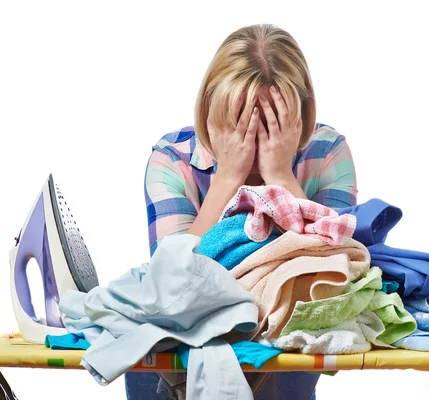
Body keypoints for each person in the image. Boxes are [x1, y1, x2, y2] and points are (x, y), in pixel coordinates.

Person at [125, 23, 358, 400]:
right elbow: (169, 284)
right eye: (238, 125)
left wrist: (281, 176)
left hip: (277, 356)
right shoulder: (172, 158)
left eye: (270, 128)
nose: (253, 145)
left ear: (300, 119)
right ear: (208, 112)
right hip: (176, 358)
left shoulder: (326, 152)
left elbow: (341, 277)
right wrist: (227, 180)